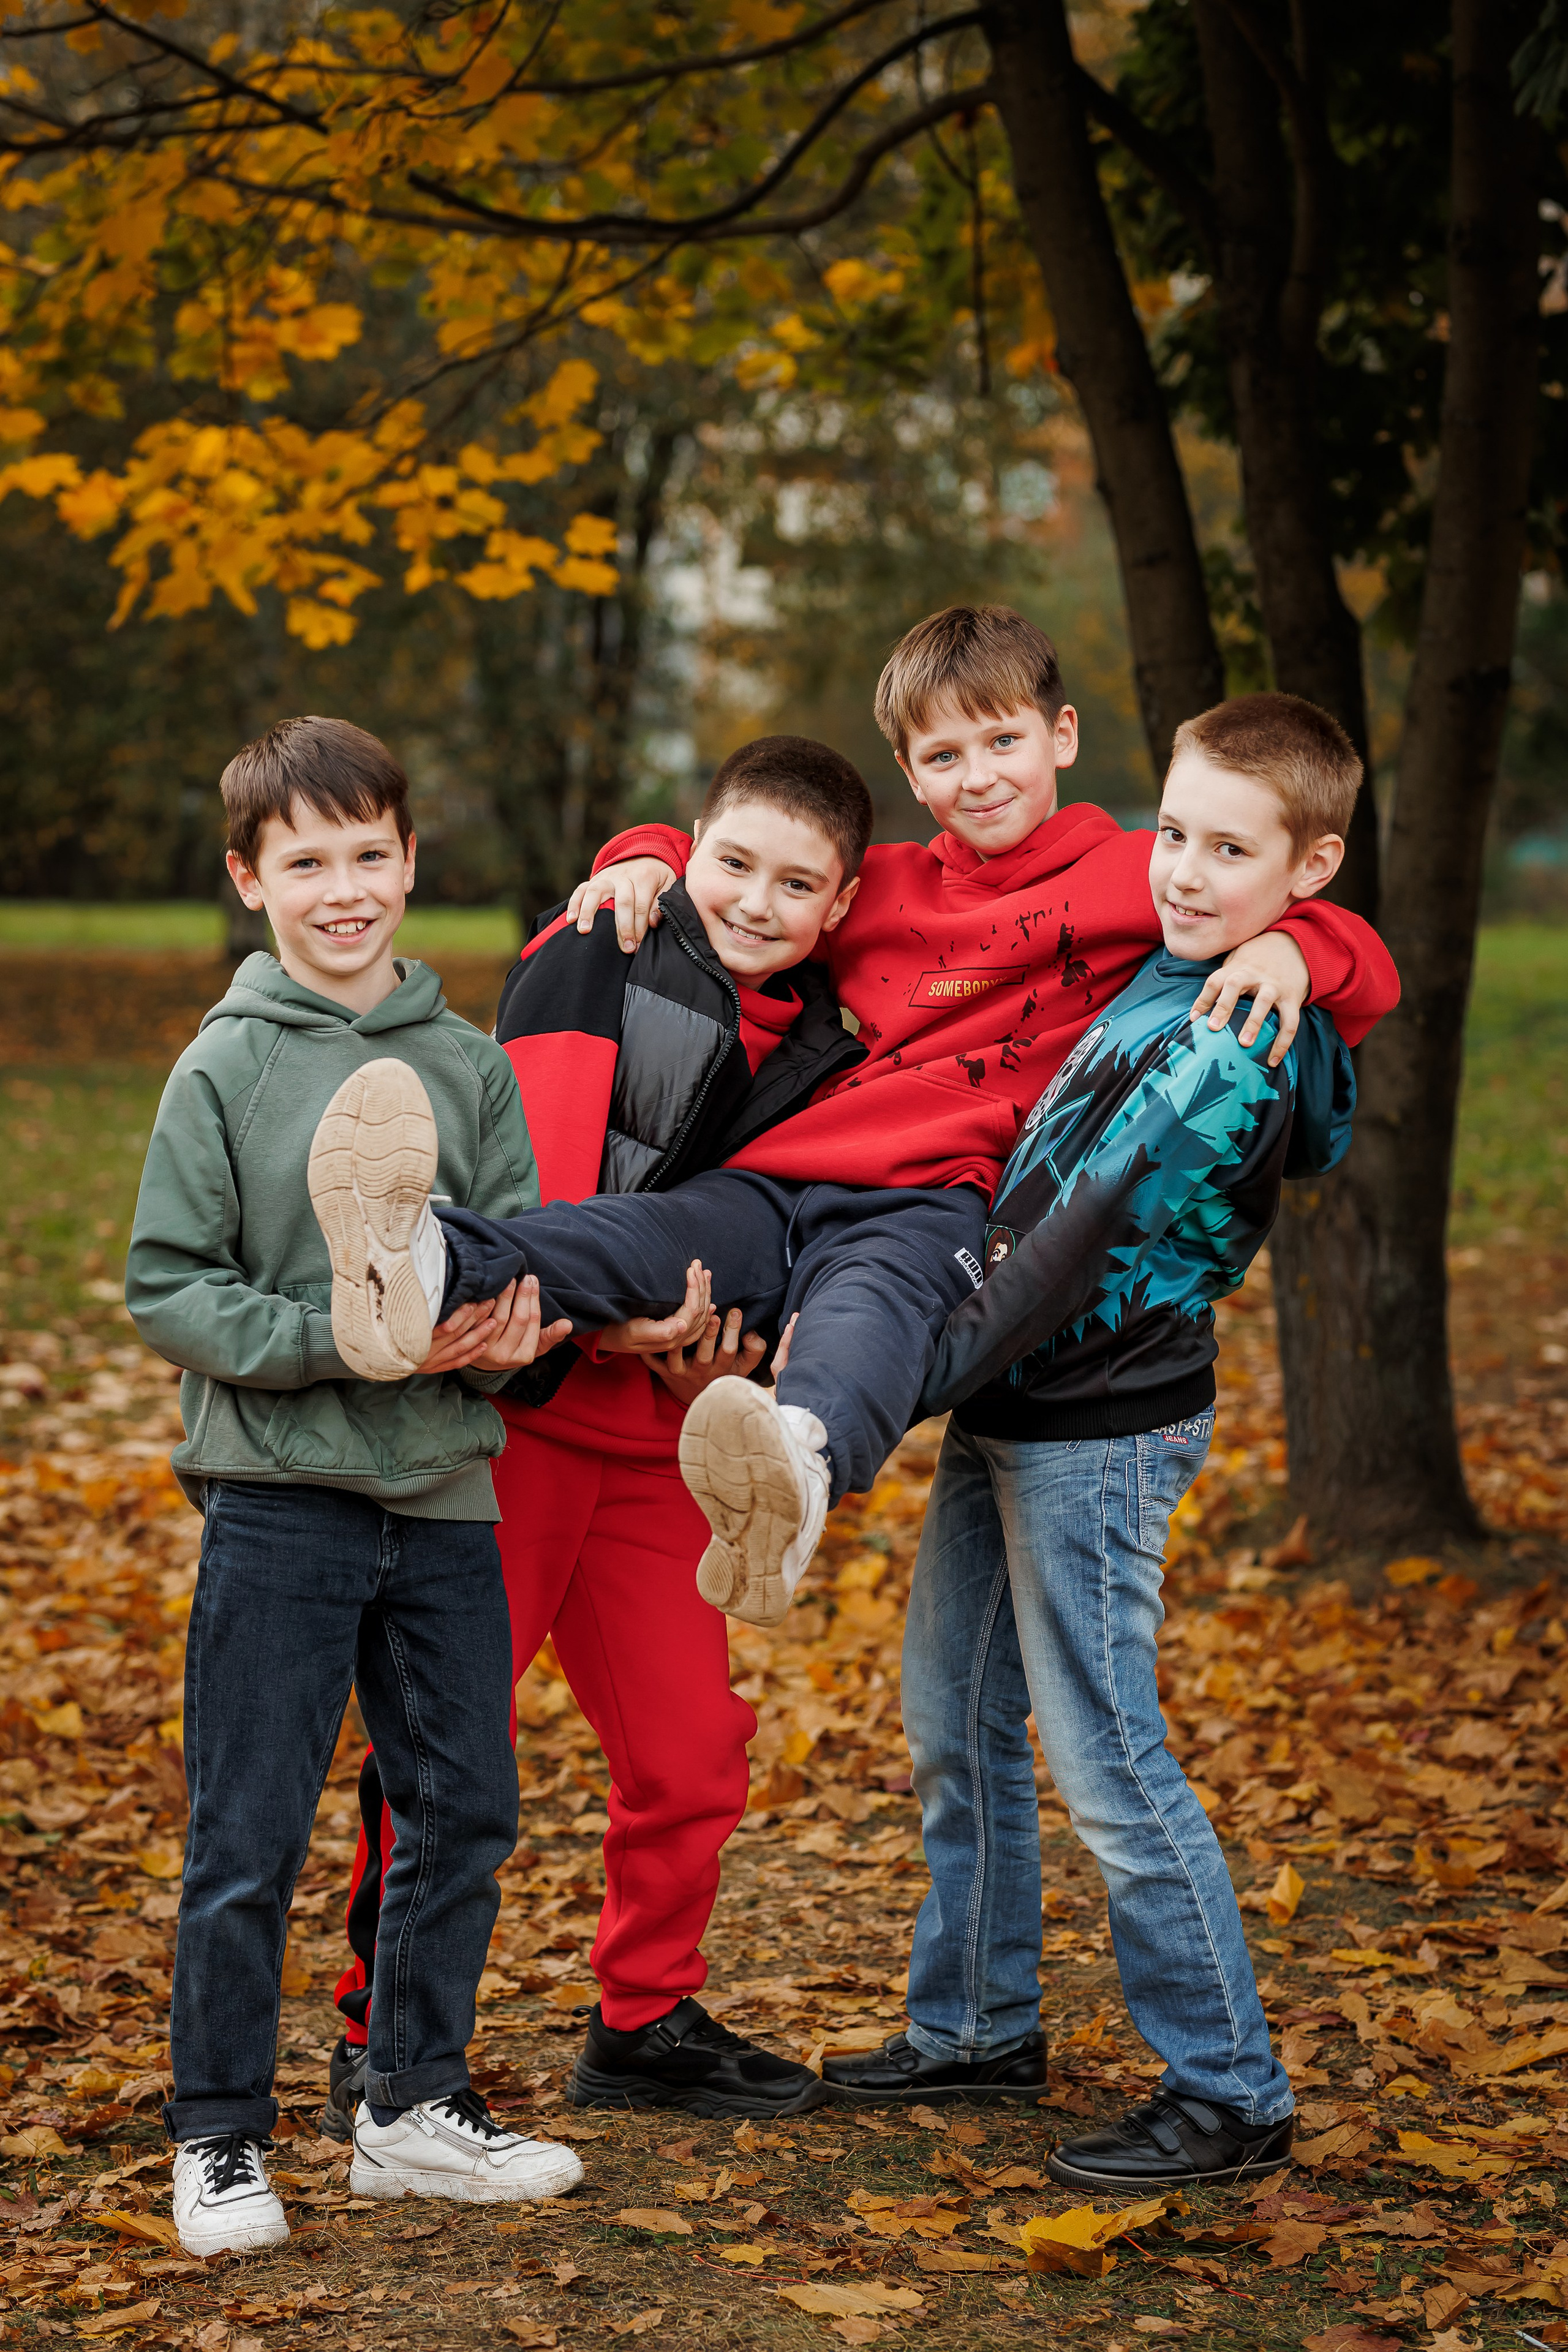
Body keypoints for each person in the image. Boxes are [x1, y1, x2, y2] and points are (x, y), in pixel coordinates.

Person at [317, 610, 1396, 1642]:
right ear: (911, 775)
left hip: (940, 1199)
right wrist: (642, 854)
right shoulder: (877, 886)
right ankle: (422, 1266)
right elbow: (755, 856)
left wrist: (1297, 947)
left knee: (869, 1313)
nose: (978, 777)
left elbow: (1335, 935)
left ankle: (794, 1469)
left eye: (1004, 741)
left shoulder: (1142, 869)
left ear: (1061, 736)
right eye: (942, 757)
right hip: (788, 1171)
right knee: (631, 1236)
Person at [822, 693, 1371, 2184]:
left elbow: (1063, 1256)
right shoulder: (1176, 965)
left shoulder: (1230, 1040)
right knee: (953, 1722)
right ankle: (974, 2026)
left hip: (1097, 1423)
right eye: (1174, 834)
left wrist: (862, 1401)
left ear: (1308, 868)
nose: (1183, 872)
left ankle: (1228, 2089)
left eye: (1231, 852)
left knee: (1109, 1756)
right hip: (1012, 1398)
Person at [322, 739, 875, 2127]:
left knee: (693, 1752)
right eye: (731, 863)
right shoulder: (600, 950)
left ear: (842, 902)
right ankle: (377, 2031)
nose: (754, 901)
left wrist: (719, 1365)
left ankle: (643, 2022)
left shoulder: (835, 1042)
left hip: (661, 1447)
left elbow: (794, 1241)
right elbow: (540, 1204)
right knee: (444, 1743)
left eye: (795, 883)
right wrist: (601, 1327)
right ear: (690, 847)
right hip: (514, 1425)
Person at [124, 717, 583, 2258]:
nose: (344, 889)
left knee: (464, 1810)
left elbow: (511, 1255)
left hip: (444, 1487)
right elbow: (168, 1285)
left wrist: (505, 1339)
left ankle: (408, 2107)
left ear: (409, 860)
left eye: (369, 855)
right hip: (279, 1493)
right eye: (306, 861)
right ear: (248, 878)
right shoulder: (224, 1065)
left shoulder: (468, 1065)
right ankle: (217, 2135)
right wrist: (335, 1338)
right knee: (248, 1829)